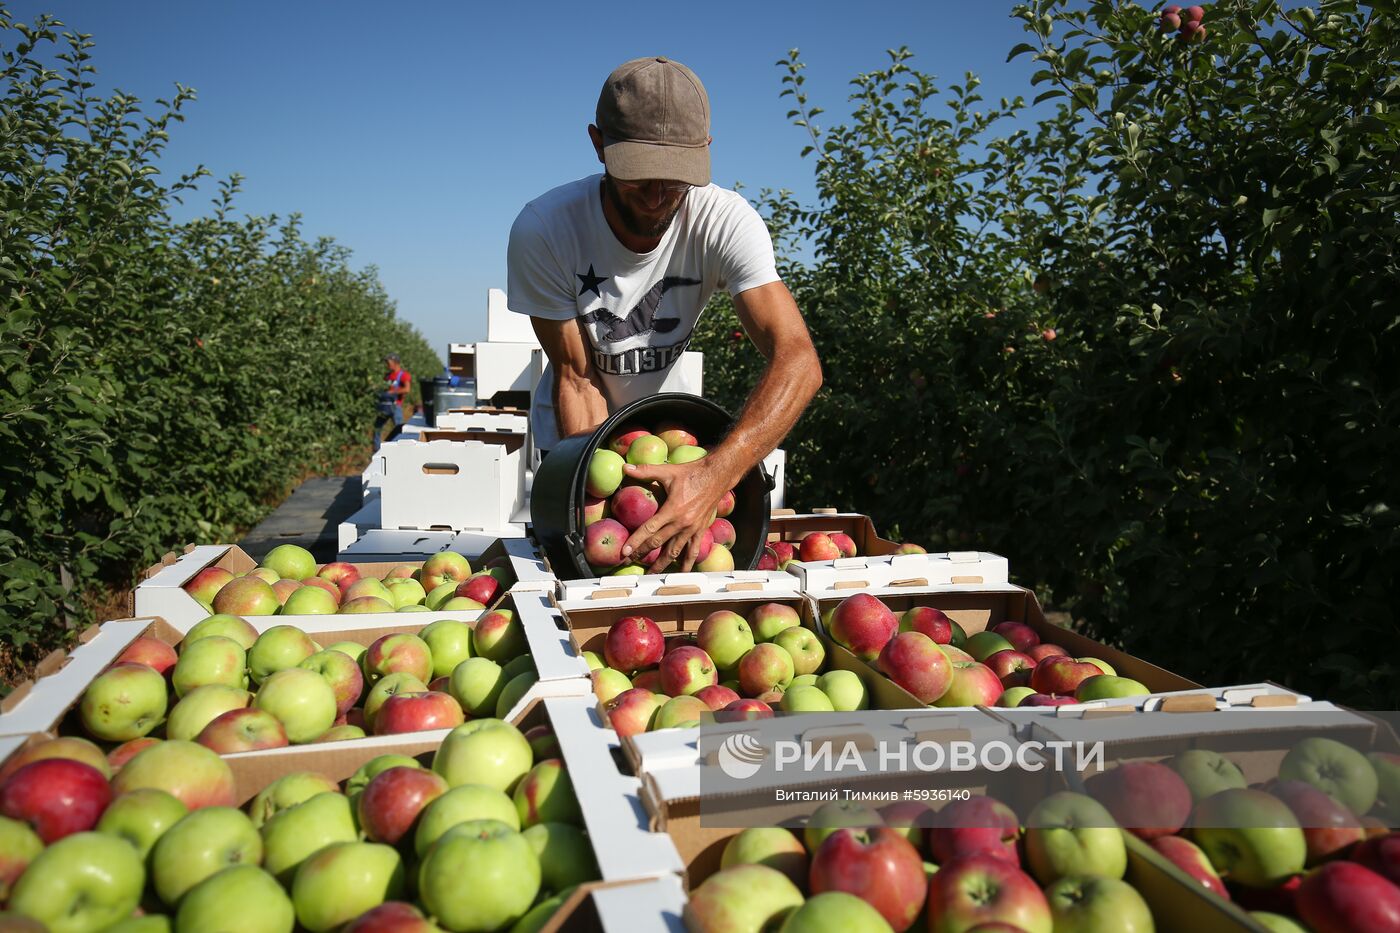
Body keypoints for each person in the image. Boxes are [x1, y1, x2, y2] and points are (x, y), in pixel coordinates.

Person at [507, 56, 822, 572]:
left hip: (666, 428)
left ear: (705, 152)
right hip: (578, 435)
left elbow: (799, 361)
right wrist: (597, 498)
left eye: (675, 178)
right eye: (639, 176)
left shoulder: (724, 222)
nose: (657, 198)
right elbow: (578, 376)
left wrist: (714, 474)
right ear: (598, 143)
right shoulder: (545, 230)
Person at [373, 353, 412, 451]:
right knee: (377, 428)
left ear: (395, 363)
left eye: (388, 362)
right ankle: (377, 450)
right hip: (384, 406)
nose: (387, 365)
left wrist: (393, 391)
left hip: (395, 406)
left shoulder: (403, 375)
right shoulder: (387, 376)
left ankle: (399, 450)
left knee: (399, 429)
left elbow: (407, 389)